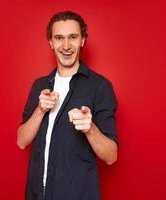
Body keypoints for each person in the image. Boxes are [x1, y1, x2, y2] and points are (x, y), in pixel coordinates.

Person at [17, 11, 118, 200]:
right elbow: (21, 141)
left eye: (72, 37)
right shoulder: (39, 85)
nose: (65, 46)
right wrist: (40, 110)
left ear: (82, 40)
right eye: (59, 38)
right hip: (37, 193)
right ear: (50, 43)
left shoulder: (100, 86)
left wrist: (90, 129)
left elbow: (111, 156)